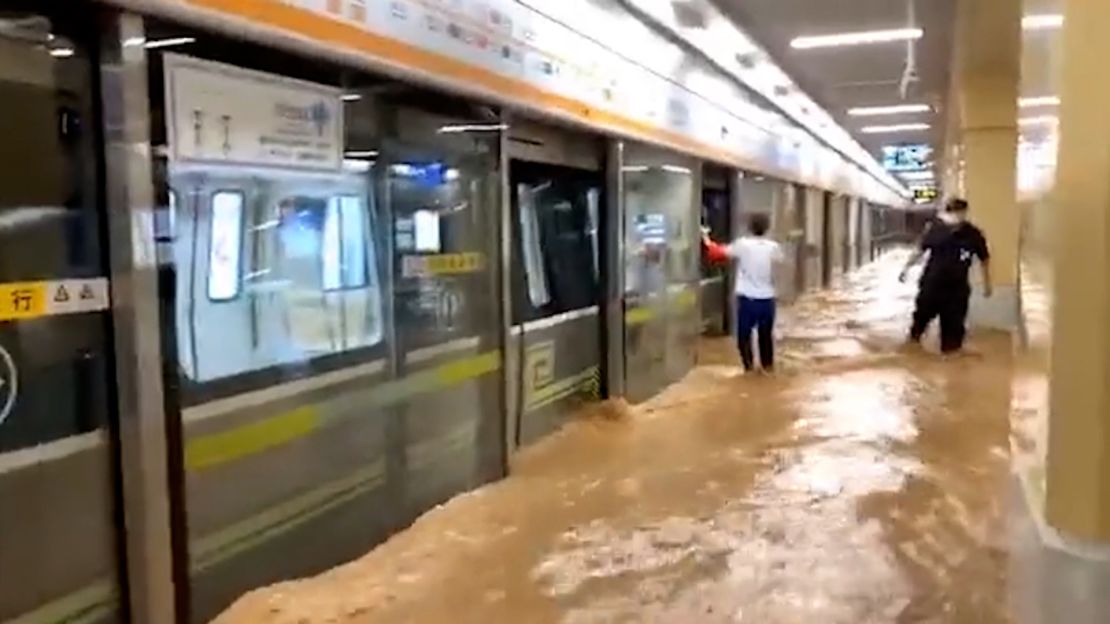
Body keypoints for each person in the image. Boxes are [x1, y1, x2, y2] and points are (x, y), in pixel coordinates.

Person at [898, 198, 992, 354]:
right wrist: (906, 269)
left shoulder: (973, 234)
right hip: (932, 285)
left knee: (953, 334)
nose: (956, 215)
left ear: (965, 213)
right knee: (919, 323)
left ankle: (952, 363)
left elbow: (985, 259)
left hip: (957, 289)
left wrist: (987, 284)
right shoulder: (935, 230)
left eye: (959, 212)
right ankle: (912, 350)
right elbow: (920, 251)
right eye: (952, 211)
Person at [704, 213, 784, 373]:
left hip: (748, 300)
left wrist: (705, 237)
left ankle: (748, 369)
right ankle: (768, 369)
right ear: (768, 228)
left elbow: (716, 253)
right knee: (766, 337)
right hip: (768, 300)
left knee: (743, 338)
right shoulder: (774, 247)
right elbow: (779, 268)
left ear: (749, 227)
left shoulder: (743, 245)